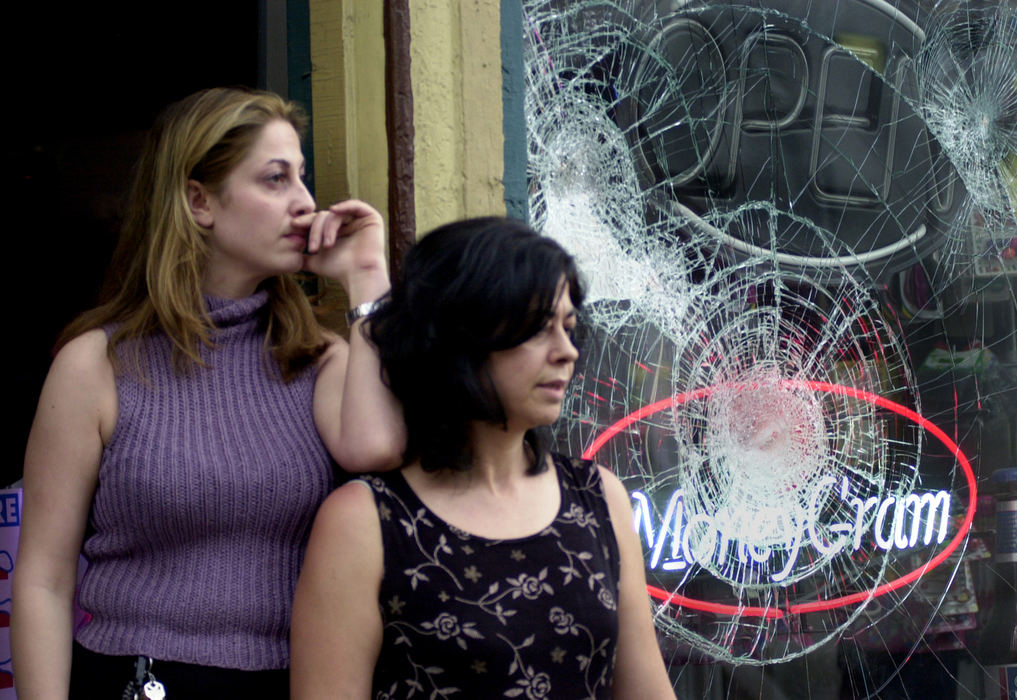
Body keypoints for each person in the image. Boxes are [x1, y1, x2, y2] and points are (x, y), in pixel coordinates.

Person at [11, 87, 405, 699]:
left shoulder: (320, 356)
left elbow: (379, 447)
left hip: (297, 680)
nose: (305, 204)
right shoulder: (98, 363)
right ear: (199, 201)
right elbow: (43, 578)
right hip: (140, 681)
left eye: (303, 179)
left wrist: (367, 278)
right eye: (276, 180)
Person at [291, 218, 675, 699]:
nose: (566, 352)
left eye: (569, 327)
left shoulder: (598, 499)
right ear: (459, 338)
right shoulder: (366, 522)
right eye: (538, 329)